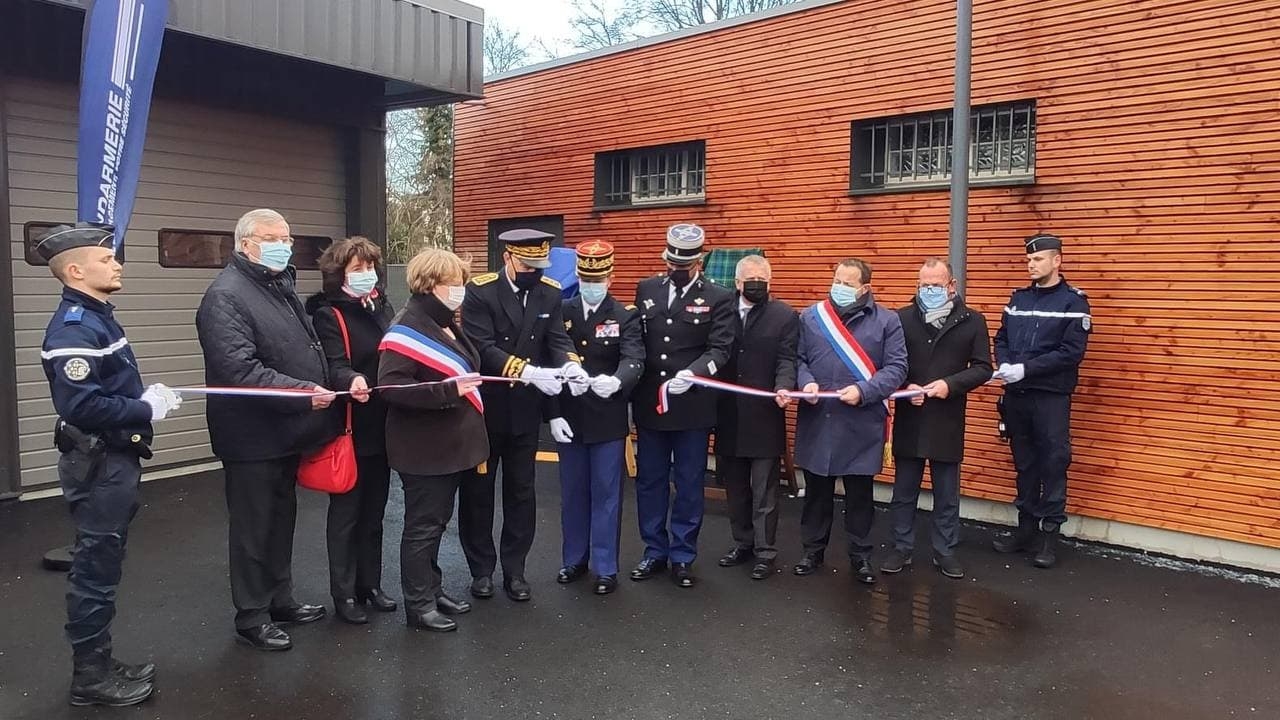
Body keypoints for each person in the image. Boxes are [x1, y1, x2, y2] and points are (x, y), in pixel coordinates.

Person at [196, 209, 360, 651]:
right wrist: (304, 390)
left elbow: (304, 346)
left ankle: (279, 598)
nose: (284, 245)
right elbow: (238, 371)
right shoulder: (226, 297)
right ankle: (252, 615)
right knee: (253, 526)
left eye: (287, 237)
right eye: (273, 237)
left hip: (288, 432)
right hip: (251, 436)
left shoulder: (277, 285)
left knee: (280, 520)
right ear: (246, 243)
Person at [37, 223, 181, 707]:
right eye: (105, 260)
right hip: (97, 463)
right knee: (94, 567)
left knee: (104, 561)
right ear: (75, 270)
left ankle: (99, 660)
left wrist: (139, 397)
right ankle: (90, 677)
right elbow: (82, 407)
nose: (116, 263)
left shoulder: (98, 318)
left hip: (111, 459)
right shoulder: (75, 327)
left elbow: (106, 389)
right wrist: (145, 408)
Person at [459, 229, 583, 602]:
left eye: (538, 265)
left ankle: (515, 570)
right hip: (487, 409)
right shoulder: (480, 291)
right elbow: (481, 346)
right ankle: (481, 570)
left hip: (525, 412)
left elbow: (557, 339)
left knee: (522, 493)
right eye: (527, 264)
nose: (532, 270)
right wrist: (525, 371)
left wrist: (571, 365)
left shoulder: (548, 291)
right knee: (478, 494)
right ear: (509, 257)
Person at [378, 249, 487, 632]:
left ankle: (433, 588)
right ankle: (419, 604)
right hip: (424, 449)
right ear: (431, 284)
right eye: (454, 282)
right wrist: (446, 392)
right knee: (422, 527)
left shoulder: (444, 322)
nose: (461, 289)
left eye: (462, 281)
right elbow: (390, 387)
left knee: (437, 523)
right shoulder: (406, 329)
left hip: (450, 447)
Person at [630, 223, 736, 588]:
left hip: (692, 405)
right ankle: (653, 551)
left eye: (684, 264)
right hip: (650, 404)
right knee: (650, 481)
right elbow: (639, 342)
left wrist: (693, 372)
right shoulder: (647, 289)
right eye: (673, 261)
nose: (677, 269)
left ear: (698, 262)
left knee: (689, 482)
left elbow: (720, 348)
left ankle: (683, 555)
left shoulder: (719, 297)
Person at [793, 258, 907, 585]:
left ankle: (860, 557)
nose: (839, 287)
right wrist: (806, 382)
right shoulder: (812, 317)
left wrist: (864, 390)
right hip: (820, 416)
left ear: (865, 288)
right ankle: (812, 551)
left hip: (861, 418)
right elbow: (798, 359)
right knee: (816, 491)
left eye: (848, 282)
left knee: (859, 495)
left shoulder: (887, 321)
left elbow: (897, 367)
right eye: (837, 280)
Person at [881, 258, 992, 580]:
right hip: (910, 417)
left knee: (946, 493)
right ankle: (901, 546)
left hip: (947, 417)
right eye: (923, 285)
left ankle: (945, 550)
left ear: (951, 286)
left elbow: (983, 367)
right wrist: (904, 387)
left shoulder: (972, 321)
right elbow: (890, 363)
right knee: (904, 490)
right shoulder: (900, 319)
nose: (929, 290)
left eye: (936, 285)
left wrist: (950, 384)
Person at [546, 240, 644, 595]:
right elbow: (550, 362)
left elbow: (635, 358)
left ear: (610, 277)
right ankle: (574, 559)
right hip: (570, 416)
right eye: (585, 278)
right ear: (577, 276)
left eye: (598, 278)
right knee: (572, 492)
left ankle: (605, 567)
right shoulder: (562, 310)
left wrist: (618, 381)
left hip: (606, 416)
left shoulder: (625, 314)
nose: (591, 284)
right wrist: (553, 414)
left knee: (606, 494)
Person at [306, 237, 396, 624]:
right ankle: (343, 594)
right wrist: (353, 379)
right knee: (347, 515)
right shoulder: (330, 314)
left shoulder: (381, 306)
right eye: (357, 269)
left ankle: (369, 585)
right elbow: (334, 364)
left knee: (374, 512)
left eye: (370, 267)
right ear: (339, 274)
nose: (367, 275)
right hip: (350, 425)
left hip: (383, 425)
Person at [991, 233, 1091, 569]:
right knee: (1025, 464)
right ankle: (1026, 529)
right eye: (1029, 260)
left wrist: (1026, 369)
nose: (1031, 265)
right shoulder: (1018, 298)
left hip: (1050, 397)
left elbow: (1071, 352)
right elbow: (1001, 336)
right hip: (1017, 394)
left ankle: (1049, 536)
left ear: (1057, 261)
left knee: (1054, 462)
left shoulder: (1072, 302)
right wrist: (1004, 363)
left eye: (1038, 259)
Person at [713, 255, 797, 581]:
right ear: (736, 283)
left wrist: (784, 386)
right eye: (751, 278)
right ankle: (742, 543)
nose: (757, 283)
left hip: (764, 416)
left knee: (765, 493)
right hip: (729, 415)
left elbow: (787, 358)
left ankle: (765, 552)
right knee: (736, 489)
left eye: (763, 277)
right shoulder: (721, 312)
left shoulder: (785, 316)